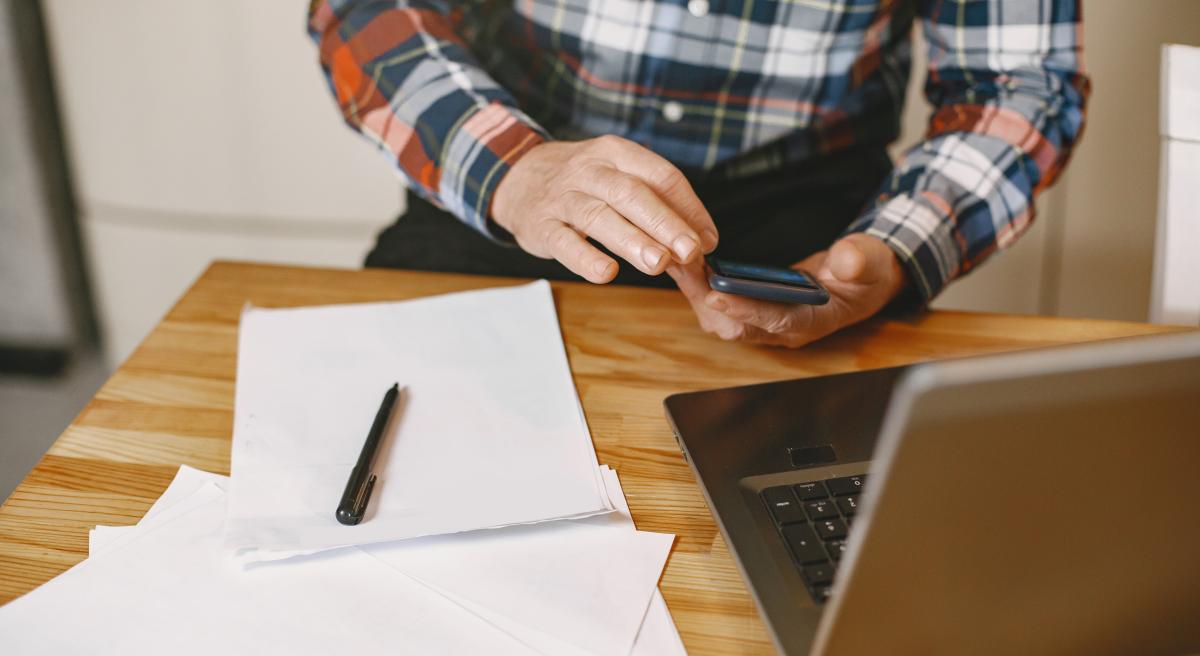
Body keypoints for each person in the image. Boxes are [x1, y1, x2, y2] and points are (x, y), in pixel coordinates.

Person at [307, 0, 1088, 348]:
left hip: (811, 240)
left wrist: (896, 250)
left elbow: (1017, 85)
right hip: (511, 187)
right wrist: (516, 170)